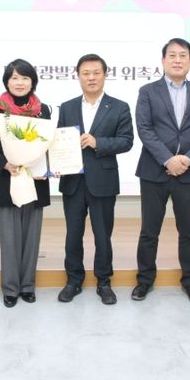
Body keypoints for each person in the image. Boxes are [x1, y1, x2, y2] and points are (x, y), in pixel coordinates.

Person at [132, 38, 190, 303]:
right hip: (154, 171)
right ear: (163, 60)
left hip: (189, 174)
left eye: (183, 55)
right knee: (149, 231)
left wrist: (188, 159)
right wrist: (168, 160)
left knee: (188, 231)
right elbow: (144, 128)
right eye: (172, 55)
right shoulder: (148, 91)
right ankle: (144, 281)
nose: (177, 60)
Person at [56, 54, 133, 305]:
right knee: (73, 235)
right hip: (73, 181)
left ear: (105, 75)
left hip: (103, 181)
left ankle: (104, 281)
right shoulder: (67, 107)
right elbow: (59, 141)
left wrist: (97, 142)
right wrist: (55, 164)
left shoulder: (119, 106)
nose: (91, 77)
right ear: (78, 76)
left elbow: (127, 141)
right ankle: (73, 280)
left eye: (96, 72)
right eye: (86, 73)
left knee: (103, 236)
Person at [0, 58, 51, 308]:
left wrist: (48, 168)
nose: (19, 82)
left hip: (35, 180)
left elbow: (48, 145)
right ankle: (10, 289)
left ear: (32, 81)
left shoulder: (43, 110)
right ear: (7, 82)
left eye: (24, 78)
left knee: (31, 238)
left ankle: (28, 286)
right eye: (14, 78)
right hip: (6, 179)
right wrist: (4, 164)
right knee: (9, 239)